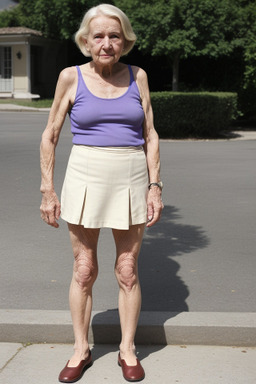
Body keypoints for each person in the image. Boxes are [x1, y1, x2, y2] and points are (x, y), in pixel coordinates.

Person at [40, 3, 163, 383]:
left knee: (127, 270)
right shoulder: (70, 77)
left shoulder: (138, 75)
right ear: (85, 40)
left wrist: (155, 186)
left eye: (114, 36)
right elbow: (51, 134)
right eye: (99, 35)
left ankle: (127, 349)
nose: (106, 43)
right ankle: (81, 349)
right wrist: (48, 188)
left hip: (130, 174)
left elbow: (150, 134)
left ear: (124, 41)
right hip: (85, 174)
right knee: (84, 269)